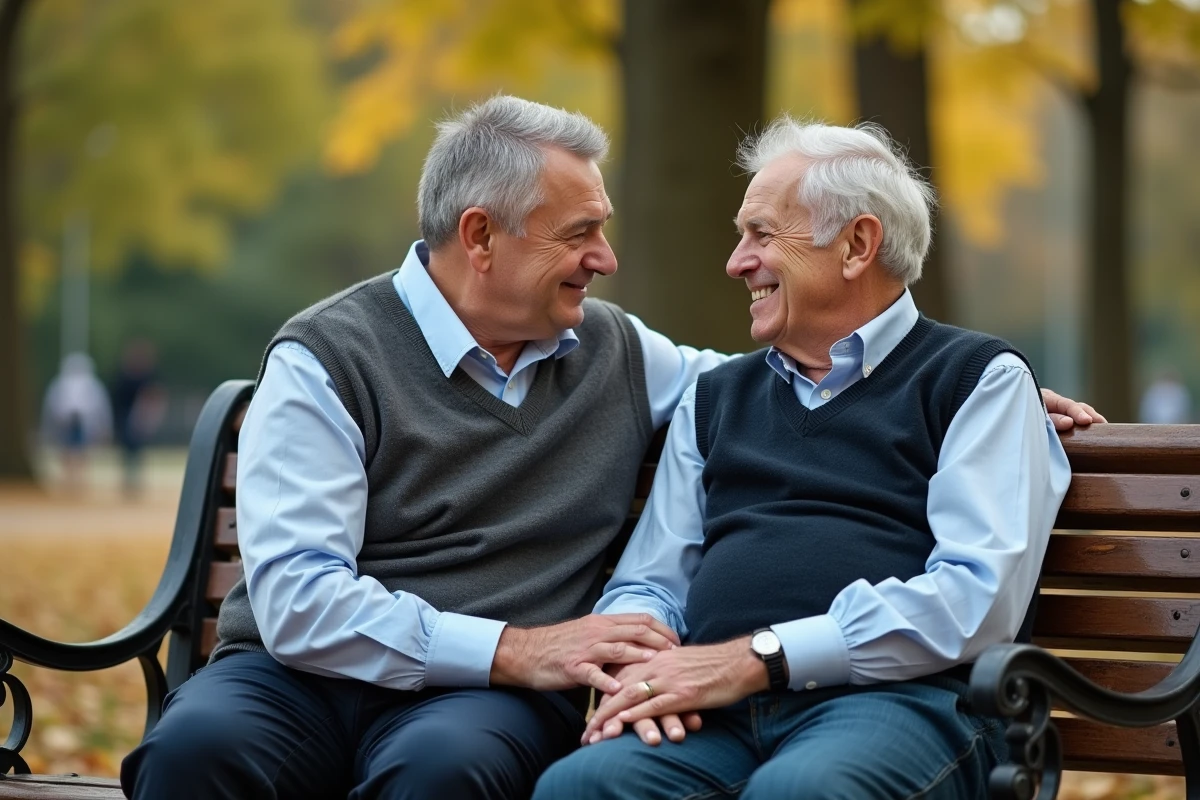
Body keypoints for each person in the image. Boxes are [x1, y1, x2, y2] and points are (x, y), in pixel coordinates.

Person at [121, 98, 1100, 800]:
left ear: (855, 246)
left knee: (455, 768)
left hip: (511, 704)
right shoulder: (329, 355)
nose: (608, 258)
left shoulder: (624, 353)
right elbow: (299, 601)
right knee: (197, 749)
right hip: (328, 674)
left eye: (761, 234)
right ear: (482, 236)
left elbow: (816, 398)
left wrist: (986, 382)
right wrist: (587, 654)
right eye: (581, 232)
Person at [534, 119, 1073, 800]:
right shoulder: (716, 396)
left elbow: (975, 598)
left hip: (905, 703)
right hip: (714, 715)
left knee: (799, 792)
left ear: (857, 245)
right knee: (580, 788)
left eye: (761, 234)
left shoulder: (977, 381)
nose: (735, 262)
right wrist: (647, 660)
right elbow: (654, 581)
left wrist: (763, 658)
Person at [41, 352, 113, 493]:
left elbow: (101, 408)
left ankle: (80, 479)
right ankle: (68, 479)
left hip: (83, 423)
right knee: (66, 451)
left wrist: (103, 426)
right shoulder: (60, 384)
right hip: (66, 423)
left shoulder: (92, 385)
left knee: (82, 451)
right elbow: (53, 406)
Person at [110, 339, 167, 496]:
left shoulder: (147, 376)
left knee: (137, 451)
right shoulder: (125, 376)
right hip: (125, 416)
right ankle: (128, 480)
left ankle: (135, 481)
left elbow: (154, 395)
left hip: (139, 417)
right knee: (127, 450)